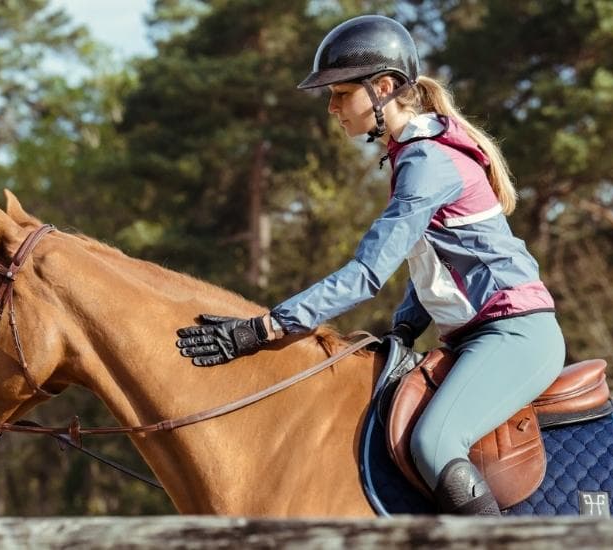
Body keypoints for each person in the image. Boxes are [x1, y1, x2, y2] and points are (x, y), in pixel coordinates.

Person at [175, 14, 564, 516]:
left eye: (340, 94)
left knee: (433, 443)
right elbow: (432, 263)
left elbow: (366, 274)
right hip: (474, 337)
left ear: (382, 88)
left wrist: (266, 327)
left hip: (515, 335)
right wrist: (404, 327)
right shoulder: (414, 156)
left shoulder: (426, 162)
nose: (332, 108)